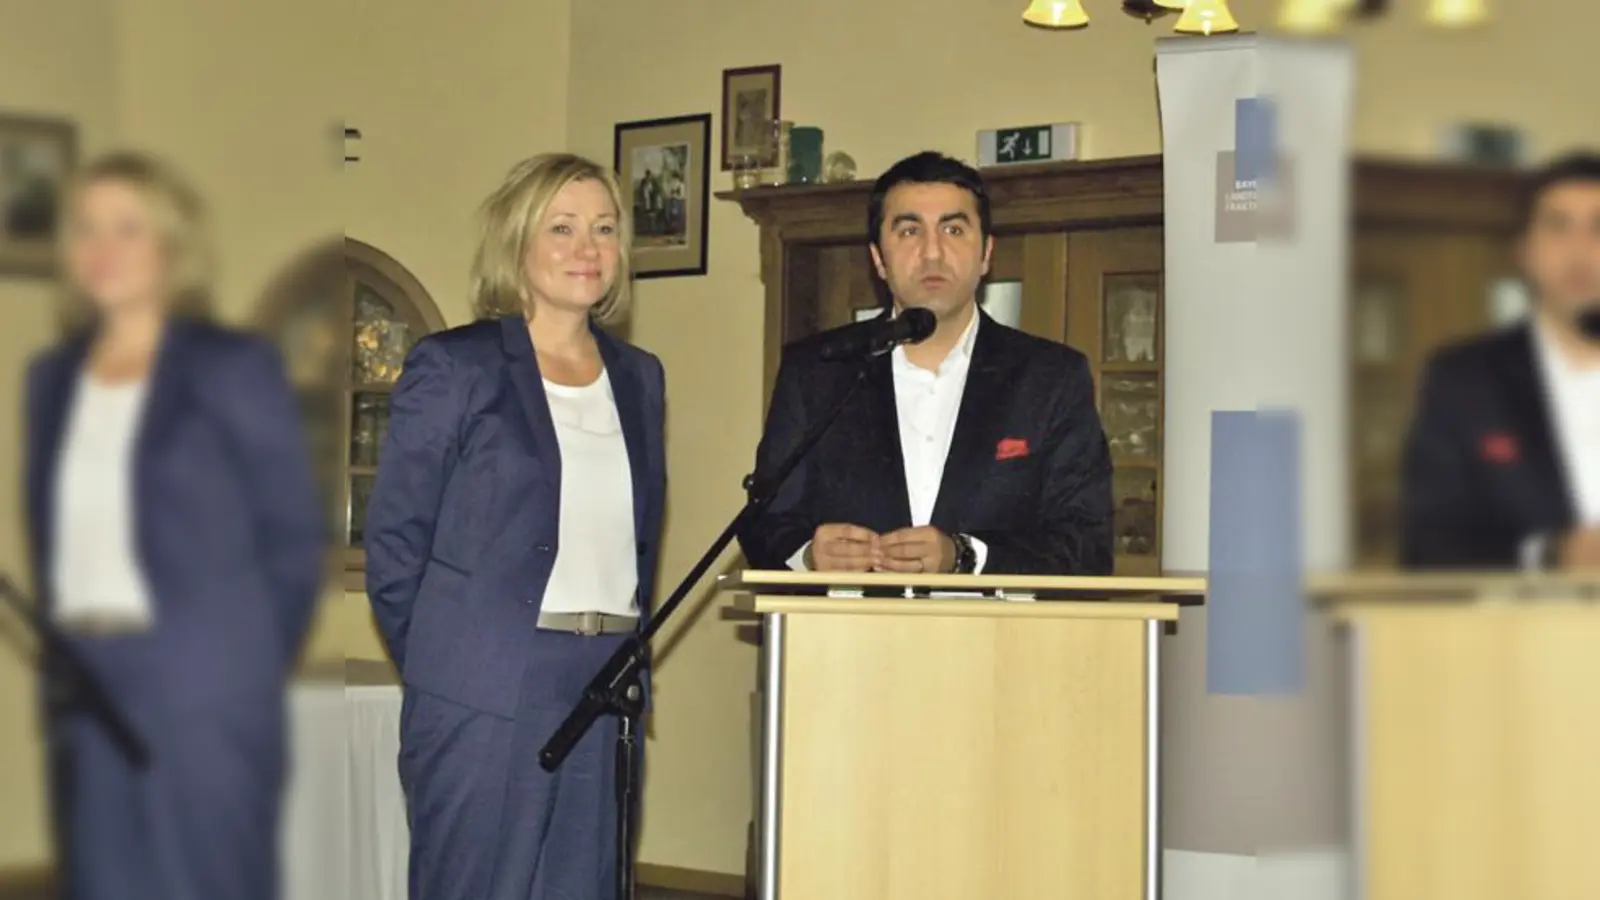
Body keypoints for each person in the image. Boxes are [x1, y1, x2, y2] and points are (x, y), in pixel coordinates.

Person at [21, 151, 325, 900]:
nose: (102, 249)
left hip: (207, 691)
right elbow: (50, 538)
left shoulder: (233, 366)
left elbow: (291, 539)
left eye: (127, 228)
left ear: (171, 245)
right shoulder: (51, 379)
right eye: (86, 229)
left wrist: (238, 666)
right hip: (87, 691)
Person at [364, 152, 667, 899]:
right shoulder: (456, 366)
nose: (587, 248)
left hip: (604, 683)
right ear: (518, 245)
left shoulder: (640, 376)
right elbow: (396, 545)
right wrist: (452, 668)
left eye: (603, 228)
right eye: (561, 228)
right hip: (485, 683)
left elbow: (636, 541)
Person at [737, 150, 1113, 576]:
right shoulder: (819, 371)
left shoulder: (1050, 378)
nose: (932, 253)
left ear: (987, 253)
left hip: (999, 638)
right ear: (878, 258)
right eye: (910, 231)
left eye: (953, 229)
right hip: (844, 637)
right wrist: (807, 554)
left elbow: (1088, 545)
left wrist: (964, 556)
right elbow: (763, 523)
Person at [1400, 151, 1600, 570]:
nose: (1580, 250)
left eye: (1599, 227)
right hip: (1522, 629)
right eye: (1558, 227)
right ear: (1525, 251)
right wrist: (1552, 554)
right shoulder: (1464, 380)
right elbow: (1428, 544)